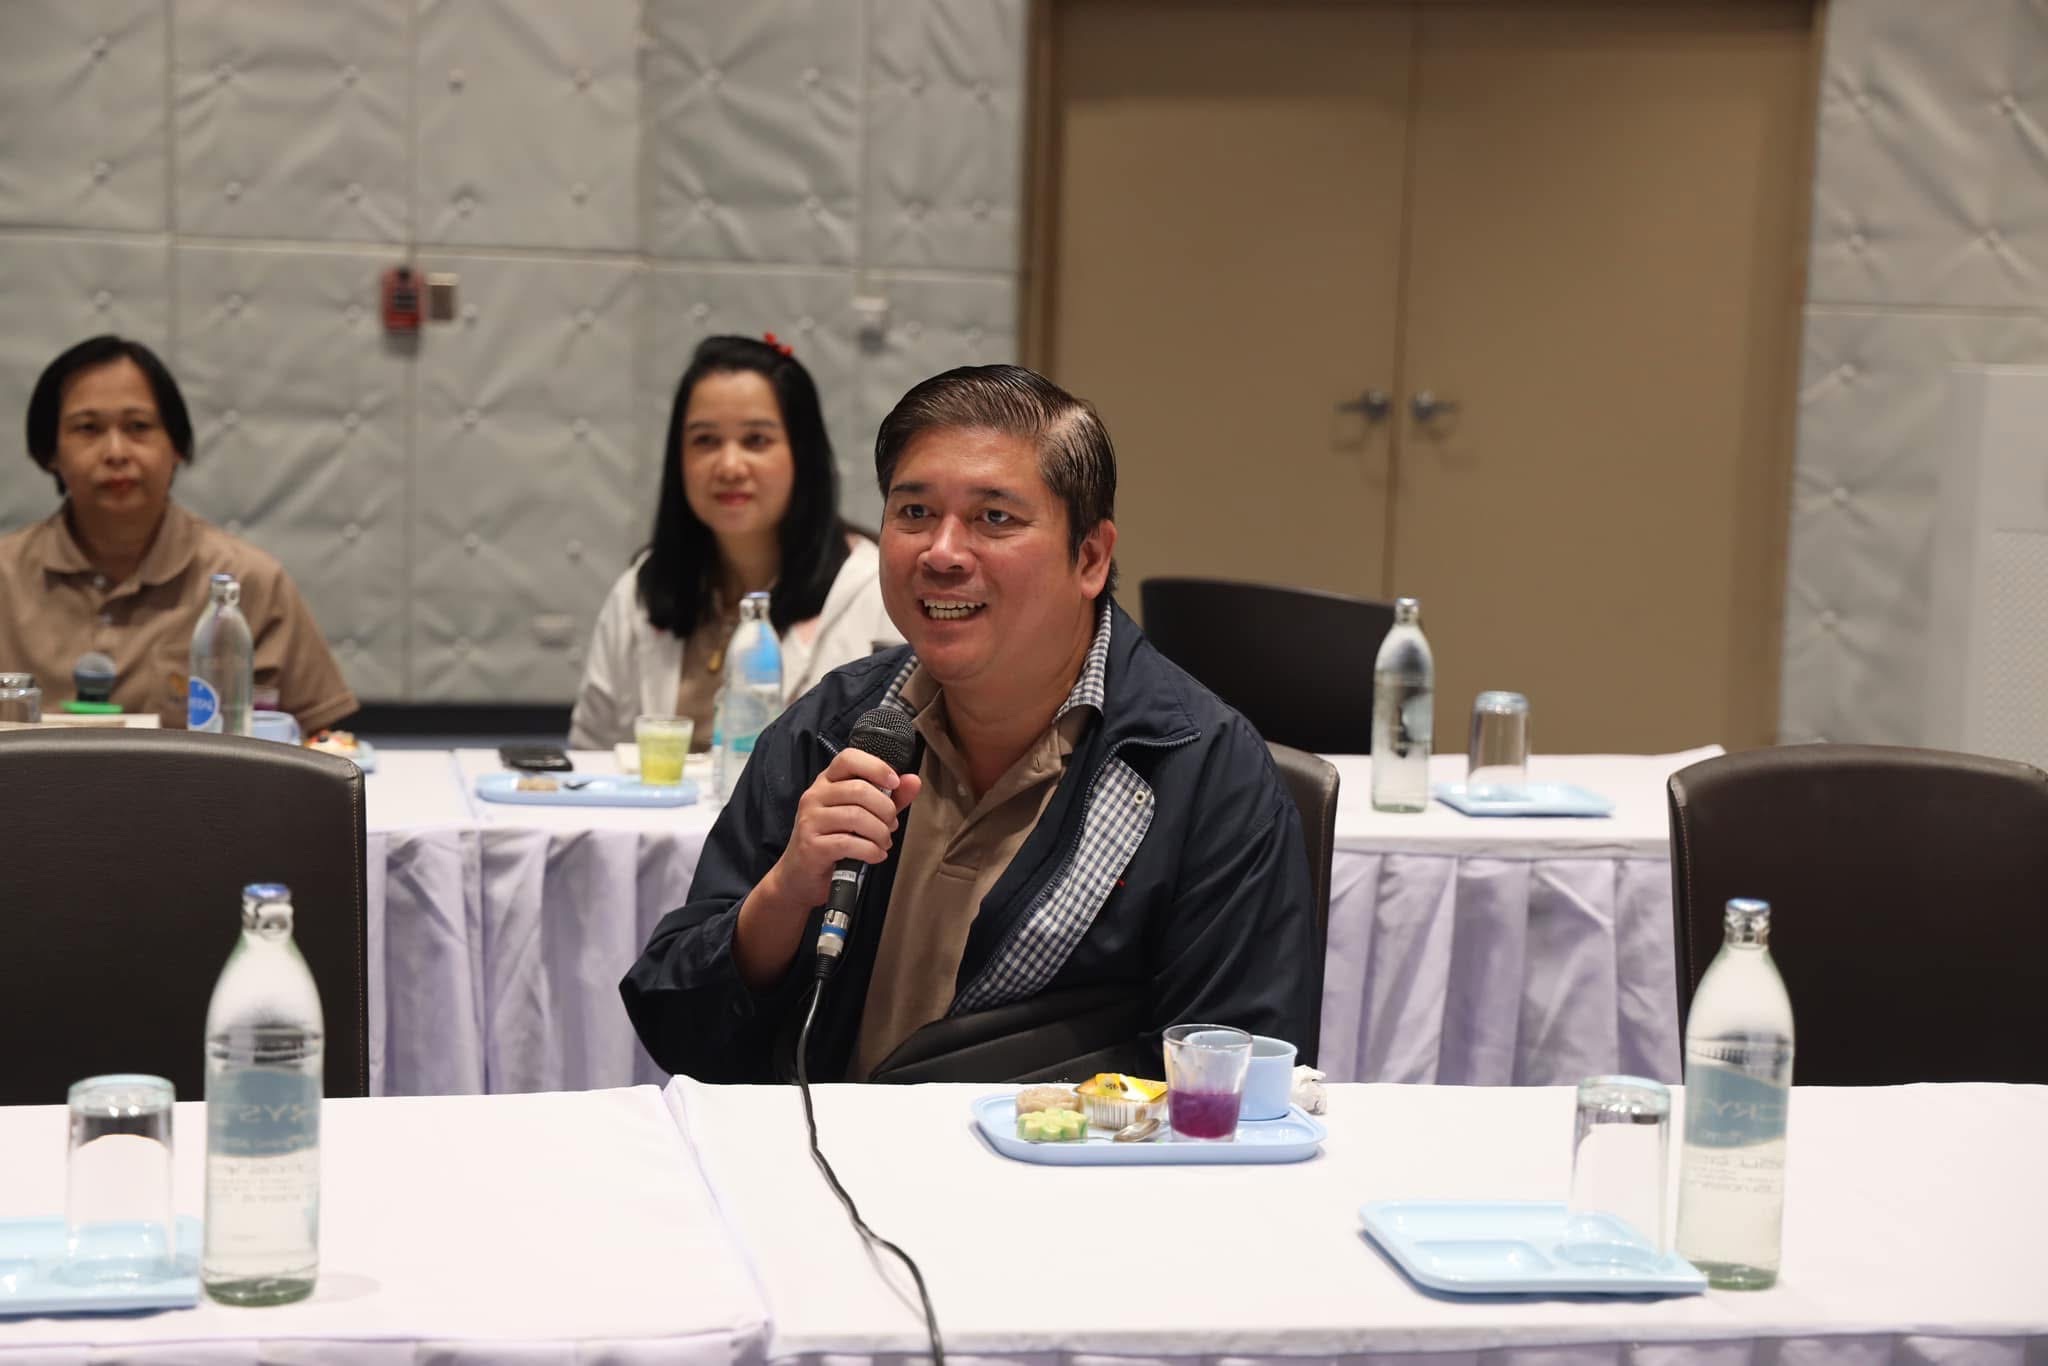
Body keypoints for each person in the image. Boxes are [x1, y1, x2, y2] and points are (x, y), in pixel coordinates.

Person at [621, 364, 1314, 1083]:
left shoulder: (1200, 771)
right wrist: (788, 891)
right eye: (914, 512)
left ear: (1090, 557)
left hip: (1065, 1156)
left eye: (995, 518)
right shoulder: (836, 728)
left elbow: (1235, 1090)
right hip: (823, 1146)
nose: (942, 553)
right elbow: (678, 1029)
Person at [0, 335, 356, 732]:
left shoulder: (249, 582)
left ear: (177, 446)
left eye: (138, 427)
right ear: (49, 451)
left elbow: (324, 740)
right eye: (88, 428)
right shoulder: (5, 578)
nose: (116, 452)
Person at [570, 335, 899, 750]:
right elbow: (592, 752)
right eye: (705, 440)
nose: (729, 466)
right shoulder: (643, 590)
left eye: (756, 440)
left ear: (803, 454)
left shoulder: (873, 590)